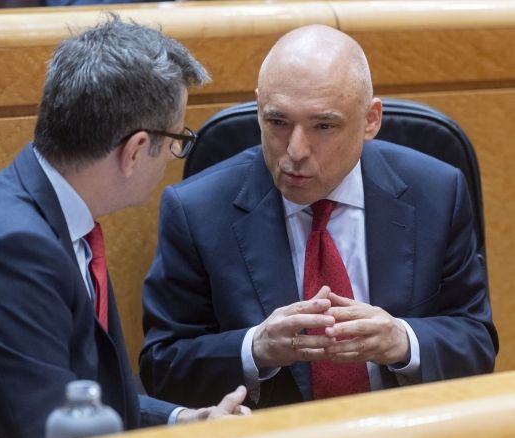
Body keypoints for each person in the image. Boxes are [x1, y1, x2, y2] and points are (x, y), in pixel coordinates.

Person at [0, 15, 249, 438]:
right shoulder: (14, 252)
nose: (173, 154)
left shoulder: (55, 213)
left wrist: (183, 421)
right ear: (135, 151)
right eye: (175, 140)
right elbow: (51, 435)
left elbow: (81, 393)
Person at [140, 24, 498, 409]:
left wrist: (403, 341)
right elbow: (162, 368)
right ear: (259, 109)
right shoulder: (196, 210)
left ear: (371, 120)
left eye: (323, 126)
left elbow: (475, 340)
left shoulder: (437, 192)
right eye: (278, 122)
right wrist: (254, 348)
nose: (295, 151)